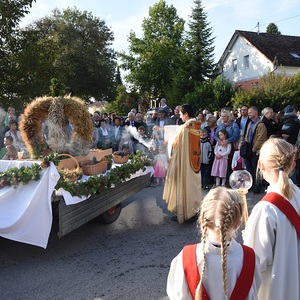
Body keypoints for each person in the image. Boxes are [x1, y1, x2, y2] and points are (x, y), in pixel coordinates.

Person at [167, 187, 261, 300]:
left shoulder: (185, 258)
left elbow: (177, 295)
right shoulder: (250, 258)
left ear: (202, 220)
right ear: (238, 224)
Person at [243, 137, 300, 300]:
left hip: (275, 290)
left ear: (260, 165)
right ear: (293, 165)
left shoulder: (265, 209)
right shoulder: (298, 195)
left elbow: (254, 263)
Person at [163, 104, 202, 224]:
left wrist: (168, 142)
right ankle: (192, 211)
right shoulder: (195, 125)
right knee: (192, 187)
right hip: (193, 161)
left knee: (184, 185)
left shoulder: (186, 129)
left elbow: (178, 145)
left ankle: (186, 214)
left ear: (186, 114)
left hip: (185, 163)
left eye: (180, 114)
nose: (180, 117)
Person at [244, 106, 268, 193]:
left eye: (250, 112)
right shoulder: (250, 123)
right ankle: (250, 185)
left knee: (256, 170)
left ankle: (257, 187)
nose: (248, 114)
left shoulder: (261, 125)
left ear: (256, 113)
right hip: (249, 150)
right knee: (249, 169)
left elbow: (261, 138)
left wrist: (254, 149)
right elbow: (247, 135)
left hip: (255, 150)